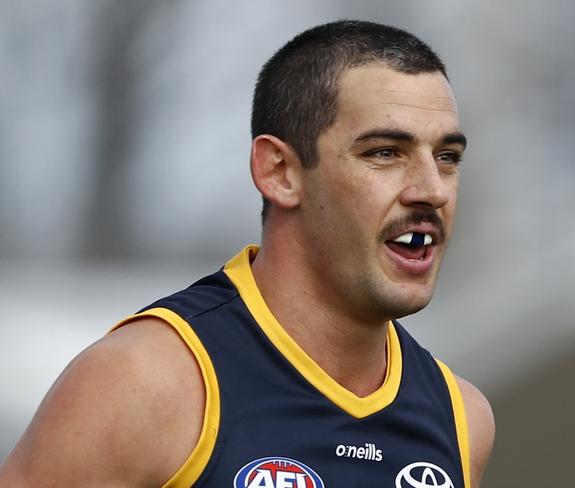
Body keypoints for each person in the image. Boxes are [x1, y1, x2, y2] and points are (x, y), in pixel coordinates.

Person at [0, 20, 494, 488]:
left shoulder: (460, 418)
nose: (432, 190)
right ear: (279, 170)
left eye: (447, 157)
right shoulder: (144, 383)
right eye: (385, 152)